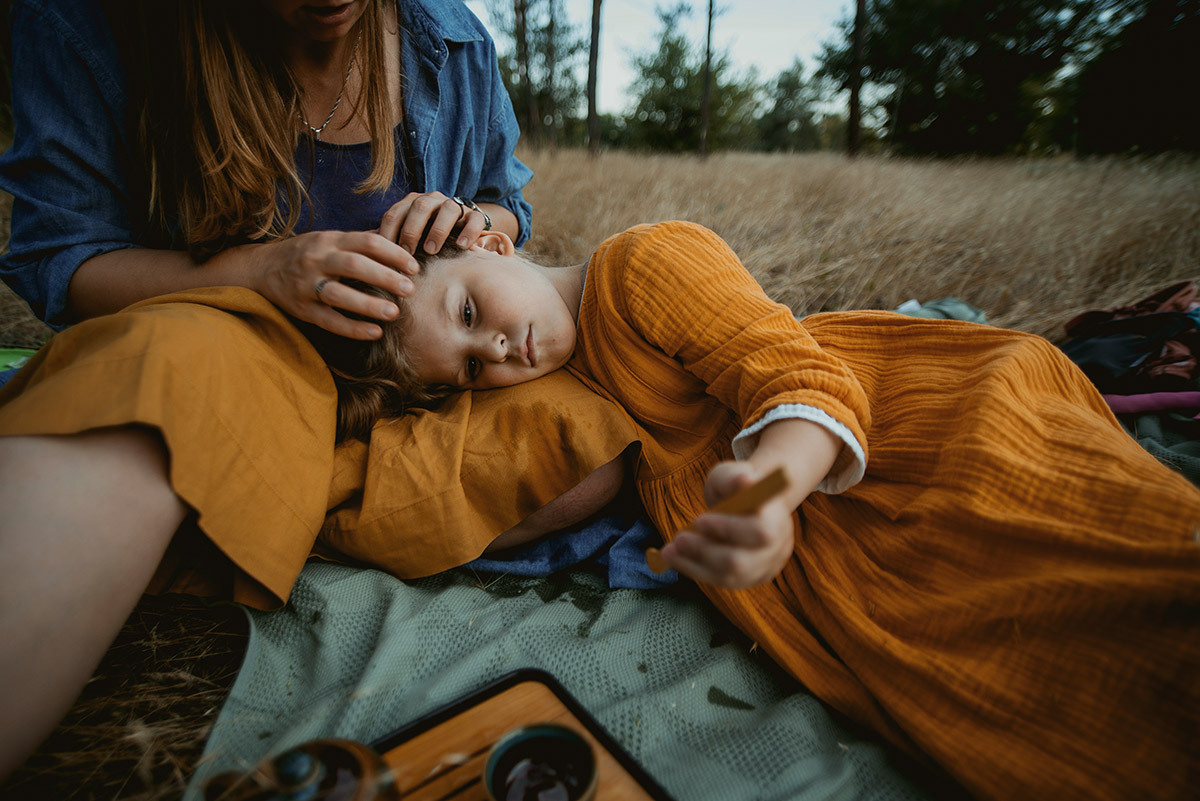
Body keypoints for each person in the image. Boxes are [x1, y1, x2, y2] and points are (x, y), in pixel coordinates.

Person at [315, 221, 1200, 801]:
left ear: (490, 241)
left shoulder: (642, 264)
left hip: (909, 428)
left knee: (1092, 556)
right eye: (471, 367)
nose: (499, 349)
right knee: (989, 678)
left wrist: (773, 494)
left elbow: (804, 381)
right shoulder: (564, 380)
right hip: (819, 534)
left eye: (470, 309)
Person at [0, 0, 635, 780]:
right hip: (232, 344)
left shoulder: (451, 35)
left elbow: (507, 204)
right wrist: (257, 271)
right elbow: (66, 263)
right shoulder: (88, 24)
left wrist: (470, 218)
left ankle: (275, 503)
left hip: (414, 396)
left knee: (595, 441)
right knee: (154, 401)